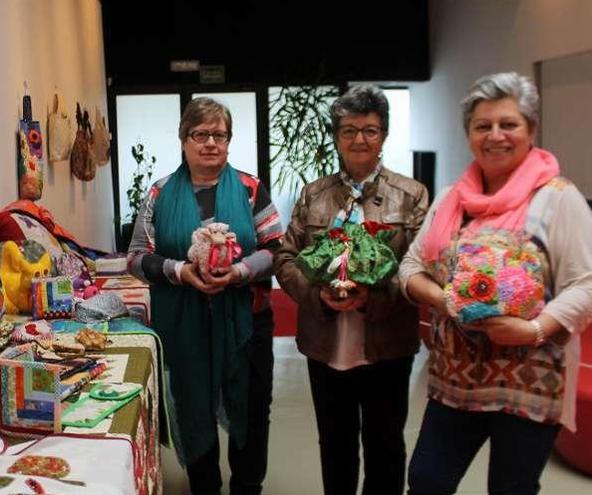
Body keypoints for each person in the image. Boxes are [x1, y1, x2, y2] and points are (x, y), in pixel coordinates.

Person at [400, 72, 592, 494]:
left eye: (509, 124)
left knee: (511, 489)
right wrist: (444, 298)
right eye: (482, 126)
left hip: (529, 384)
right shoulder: (452, 197)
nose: (496, 136)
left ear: (531, 130)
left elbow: (586, 283)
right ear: (468, 134)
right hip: (454, 382)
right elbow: (411, 267)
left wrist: (533, 328)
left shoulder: (558, 198)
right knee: (427, 482)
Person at [274, 84, 429, 495]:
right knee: (335, 447)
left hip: (388, 342)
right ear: (337, 136)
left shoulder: (411, 195)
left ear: (383, 135)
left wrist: (375, 296)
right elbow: (286, 258)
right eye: (349, 130)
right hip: (326, 343)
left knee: (385, 447)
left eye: (370, 130)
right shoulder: (314, 194)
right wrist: (316, 294)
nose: (360, 139)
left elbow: (420, 266)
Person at [127, 97, 283, 495]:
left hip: (247, 322)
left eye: (219, 134)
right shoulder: (160, 195)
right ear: (184, 140)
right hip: (184, 326)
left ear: (229, 142)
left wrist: (239, 272)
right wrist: (180, 272)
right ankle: (205, 486)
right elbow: (137, 258)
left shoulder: (250, 189)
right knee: (192, 404)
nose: (210, 142)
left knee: (250, 407)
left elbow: (277, 249)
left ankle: (248, 484)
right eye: (201, 134)